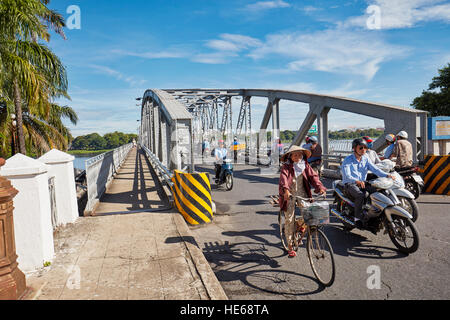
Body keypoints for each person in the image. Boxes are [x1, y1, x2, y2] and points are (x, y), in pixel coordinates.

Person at [279, 145, 327, 257]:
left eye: (300, 155)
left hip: (302, 193)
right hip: (289, 194)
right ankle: (290, 245)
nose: (297, 157)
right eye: (295, 155)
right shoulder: (286, 167)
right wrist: (286, 190)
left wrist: (320, 188)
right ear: (290, 156)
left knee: (310, 213)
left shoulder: (305, 165)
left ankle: (300, 226)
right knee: (289, 218)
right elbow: (284, 179)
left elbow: (314, 177)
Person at [341, 138, 395, 229]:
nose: (363, 150)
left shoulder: (365, 159)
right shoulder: (348, 160)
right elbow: (347, 175)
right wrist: (356, 181)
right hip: (350, 184)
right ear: (354, 148)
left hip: (363, 183)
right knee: (360, 195)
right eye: (361, 148)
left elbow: (375, 169)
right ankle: (357, 218)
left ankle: (372, 212)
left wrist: (387, 175)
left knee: (378, 191)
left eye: (365, 148)